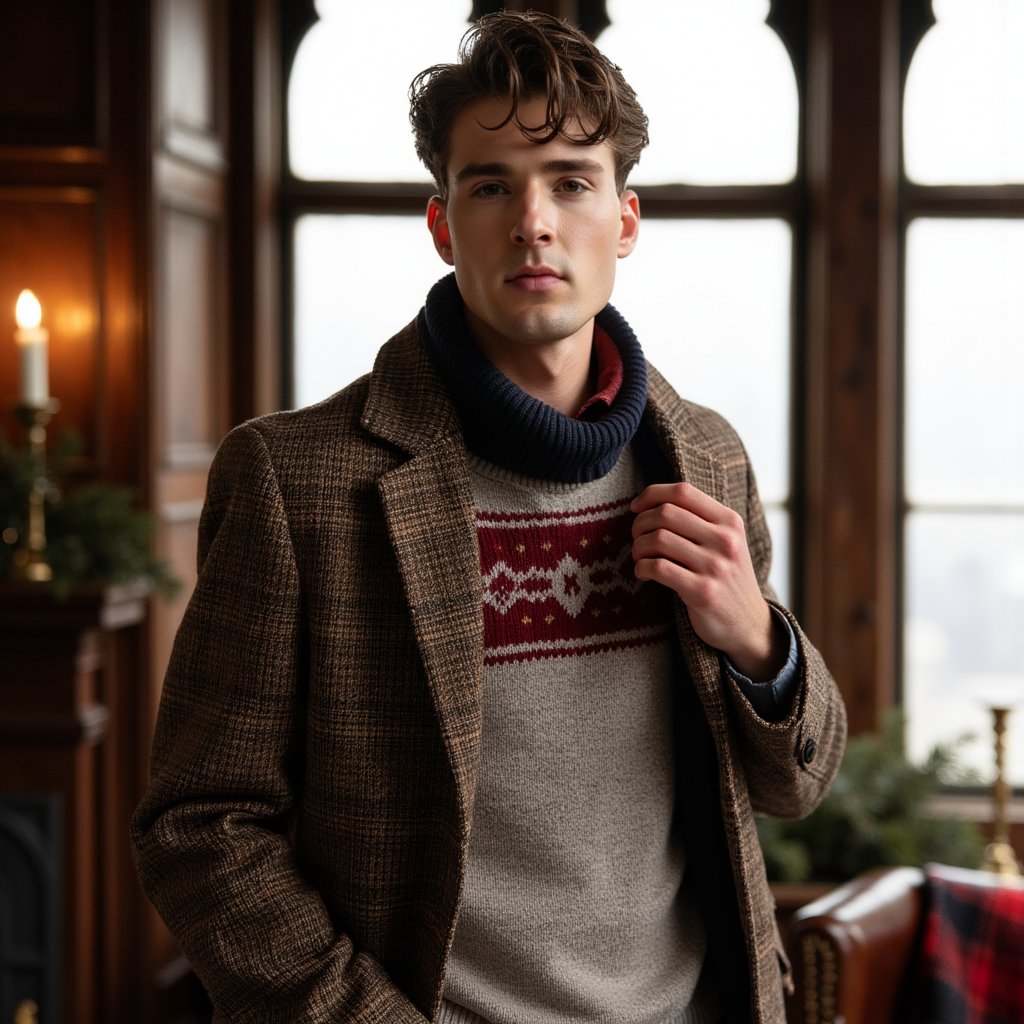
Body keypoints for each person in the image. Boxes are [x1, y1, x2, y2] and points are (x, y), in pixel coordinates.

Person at [131, 11, 846, 1024]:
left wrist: (759, 643)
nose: (533, 221)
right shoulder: (295, 482)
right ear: (443, 223)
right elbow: (199, 827)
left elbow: (799, 779)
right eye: (491, 185)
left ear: (625, 220)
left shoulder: (708, 457)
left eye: (568, 181)